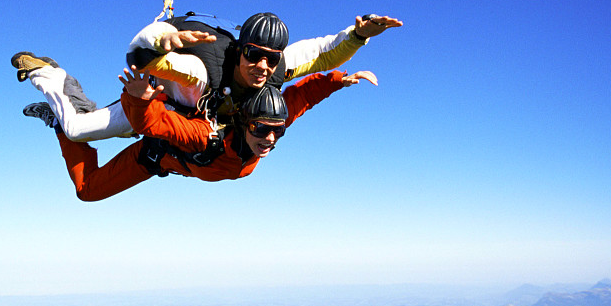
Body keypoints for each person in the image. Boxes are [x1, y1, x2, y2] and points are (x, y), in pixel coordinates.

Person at [11, 11, 400, 142]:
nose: (262, 66)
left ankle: (57, 106)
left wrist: (360, 34)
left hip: (192, 116)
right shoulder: (202, 71)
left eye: (270, 58)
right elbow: (141, 57)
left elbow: (322, 51)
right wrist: (165, 40)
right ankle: (49, 74)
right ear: (240, 50)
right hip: (163, 98)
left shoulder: (277, 67)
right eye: (254, 55)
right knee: (77, 129)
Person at [23, 65, 378, 201]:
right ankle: (55, 80)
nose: (269, 138)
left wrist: (338, 80)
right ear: (242, 122)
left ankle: (58, 122)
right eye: (261, 129)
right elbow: (157, 124)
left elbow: (299, 98)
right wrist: (141, 99)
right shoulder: (204, 136)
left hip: (162, 161)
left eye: (276, 133)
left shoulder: (268, 126)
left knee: (86, 190)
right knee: (88, 188)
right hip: (154, 153)